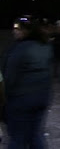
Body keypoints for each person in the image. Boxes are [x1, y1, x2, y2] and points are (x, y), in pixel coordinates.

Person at [2, 19, 54, 147]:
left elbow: (10, 77)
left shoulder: (20, 48)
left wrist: (4, 99)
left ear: (26, 31)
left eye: (18, 28)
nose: (15, 31)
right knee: (35, 134)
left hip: (21, 100)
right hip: (42, 98)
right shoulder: (45, 46)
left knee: (17, 136)